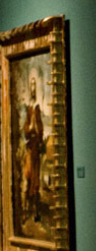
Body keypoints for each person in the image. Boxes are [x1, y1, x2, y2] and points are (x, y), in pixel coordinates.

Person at [22, 72, 44, 223]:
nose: (33, 88)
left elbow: (40, 128)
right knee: (28, 177)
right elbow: (25, 129)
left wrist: (37, 131)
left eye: (34, 85)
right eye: (31, 85)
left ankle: (36, 212)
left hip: (36, 149)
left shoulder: (37, 108)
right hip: (30, 148)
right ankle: (27, 211)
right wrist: (29, 129)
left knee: (36, 181)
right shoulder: (29, 109)